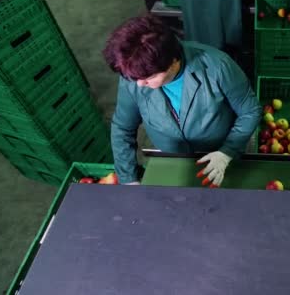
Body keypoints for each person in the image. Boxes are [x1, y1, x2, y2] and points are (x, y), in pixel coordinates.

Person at [103, 15, 260, 186]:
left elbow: (250, 111)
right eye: (134, 78)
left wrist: (227, 151)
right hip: (171, 161)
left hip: (220, 156)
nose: (140, 85)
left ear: (173, 62)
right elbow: (122, 127)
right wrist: (128, 179)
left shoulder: (218, 67)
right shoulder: (133, 75)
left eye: (149, 78)